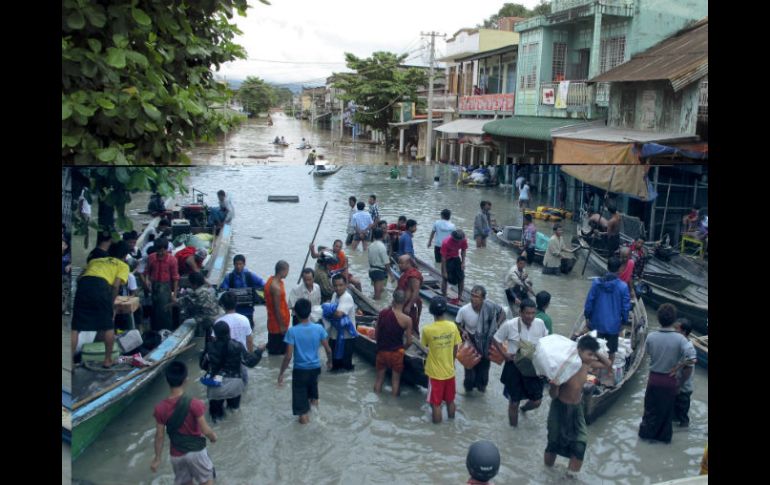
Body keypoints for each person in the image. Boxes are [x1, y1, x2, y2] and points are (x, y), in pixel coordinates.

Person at [544, 335, 610, 476]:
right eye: (589, 354)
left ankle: (570, 478)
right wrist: (554, 386)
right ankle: (547, 473)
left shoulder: (588, 364)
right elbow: (553, 395)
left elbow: (607, 364)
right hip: (559, 407)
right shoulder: (565, 366)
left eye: (593, 355)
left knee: (580, 444)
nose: (592, 357)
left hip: (577, 408)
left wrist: (594, 350)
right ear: (579, 351)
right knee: (553, 443)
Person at [151, 361, 217, 484]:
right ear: (186, 379)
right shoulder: (195, 403)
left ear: (167, 380)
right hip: (196, 452)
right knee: (207, 480)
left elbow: (159, 436)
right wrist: (213, 437)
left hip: (177, 456)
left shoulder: (160, 408)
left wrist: (157, 458)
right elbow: (205, 430)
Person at [639, 304, 695, 443]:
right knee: (666, 414)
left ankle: (646, 438)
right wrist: (679, 380)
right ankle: (663, 440)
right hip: (670, 381)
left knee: (650, 411)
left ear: (658, 319)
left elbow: (649, 354)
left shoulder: (651, 337)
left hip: (654, 379)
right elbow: (691, 360)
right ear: (673, 320)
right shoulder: (681, 339)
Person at [71, 240, 131, 368]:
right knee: (107, 325)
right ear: (125, 255)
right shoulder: (123, 265)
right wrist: (110, 303)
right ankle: (108, 360)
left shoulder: (95, 260)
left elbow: (78, 278)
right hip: (101, 287)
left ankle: (70, 362)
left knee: (76, 327)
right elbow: (115, 286)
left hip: (84, 286)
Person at [491, 299, 549, 427]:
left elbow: (546, 341)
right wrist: (504, 354)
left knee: (537, 401)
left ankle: (524, 409)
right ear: (520, 312)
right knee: (514, 403)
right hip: (514, 366)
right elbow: (495, 339)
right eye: (527, 313)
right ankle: (513, 431)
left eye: (533, 313)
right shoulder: (509, 324)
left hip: (533, 366)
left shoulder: (540, 323)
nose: (530, 316)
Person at [278, 298, 333, 424]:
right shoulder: (318, 328)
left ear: (295, 313)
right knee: (313, 397)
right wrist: (329, 362)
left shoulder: (292, 331)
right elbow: (328, 349)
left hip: (300, 371)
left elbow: (288, 356)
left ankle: (305, 434)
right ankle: (317, 420)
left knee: (301, 410)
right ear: (310, 313)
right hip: (315, 369)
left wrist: (281, 373)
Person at [201, 321, 264, 422]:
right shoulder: (237, 346)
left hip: (216, 387)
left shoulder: (209, 347)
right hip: (234, 385)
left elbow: (203, 365)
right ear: (229, 332)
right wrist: (259, 351)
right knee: (234, 414)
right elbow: (250, 362)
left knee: (216, 419)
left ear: (215, 333)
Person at [581, 256, 631, 374]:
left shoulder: (597, 283)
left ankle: (595, 372)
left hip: (596, 322)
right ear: (619, 270)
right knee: (611, 351)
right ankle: (609, 372)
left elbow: (589, 302)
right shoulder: (623, 286)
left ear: (607, 267)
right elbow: (625, 307)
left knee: (596, 348)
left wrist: (587, 317)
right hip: (613, 325)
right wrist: (623, 321)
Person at [455, 286, 506, 394]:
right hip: (470, 342)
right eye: (472, 296)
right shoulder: (464, 310)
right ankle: (468, 397)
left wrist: (497, 324)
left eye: (476, 297)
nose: (473, 299)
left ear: (483, 298)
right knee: (469, 376)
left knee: (483, 375)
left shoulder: (490, 306)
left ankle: (481, 397)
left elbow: (502, 313)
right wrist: (463, 331)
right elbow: (457, 323)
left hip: (485, 343)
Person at [421, 296, 463, 424]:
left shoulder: (427, 330)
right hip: (450, 371)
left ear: (431, 312)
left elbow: (425, 347)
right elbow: (456, 347)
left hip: (435, 374)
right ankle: (451, 424)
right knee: (450, 400)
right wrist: (452, 362)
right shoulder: (452, 326)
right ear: (445, 311)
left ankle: (437, 432)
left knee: (436, 403)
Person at [373, 290, 413, 396]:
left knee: (379, 380)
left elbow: (376, 334)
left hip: (382, 351)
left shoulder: (383, 313)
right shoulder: (407, 320)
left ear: (393, 300)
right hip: (396, 353)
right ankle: (393, 406)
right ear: (404, 301)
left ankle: (376, 401)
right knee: (395, 382)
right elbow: (409, 342)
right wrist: (402, 348)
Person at [219, 254, 266, 329]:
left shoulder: (250, 276)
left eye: (240, 264)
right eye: (236, 264)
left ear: (244, 264)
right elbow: (223, 291)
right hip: (234, 311)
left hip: (248, 311)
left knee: (249, 330)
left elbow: (264, 284)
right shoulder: (229, 277)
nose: (238, 266)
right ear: (234, 264)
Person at [323, 273, 358, 372]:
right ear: (332, 286)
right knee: (335, 365)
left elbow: (339, 314)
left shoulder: (346, 297)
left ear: (346, 285)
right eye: (335, 286)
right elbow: (333, 310)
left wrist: (326, 310)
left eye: (340, 285)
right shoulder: (334, 294)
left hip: (347, 338)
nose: (338, 288)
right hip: (335, 335)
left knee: (346, 367)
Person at [143, 238, 180, 331]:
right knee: (154, 310)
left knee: (165, 310)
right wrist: (147, 280)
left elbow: (175, 278)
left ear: (166, 249)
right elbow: (147, 271)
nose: (160, 253)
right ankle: (155, 331)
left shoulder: (172, 260)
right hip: (154, 286)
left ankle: (166, 331)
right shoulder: (151, 257)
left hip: (166, 287)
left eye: (162, 251)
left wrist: (174, 295)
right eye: (158, 251)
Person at [176, 271, 223, 340]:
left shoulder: (198, 293)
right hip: (218, 314)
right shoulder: (209, 289)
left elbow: (186, 302)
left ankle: (198, 336)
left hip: (209, 319)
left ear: (194, 284)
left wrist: (174, 301)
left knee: (185, 315)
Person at [672, 318, 697, 428]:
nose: (673, 331)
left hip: (683, 388)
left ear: (684, 332)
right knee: (674, 414)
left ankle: (682, 434)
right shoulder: (678, 343)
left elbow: (688, 369)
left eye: (676, 329)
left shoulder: (687, 347)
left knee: (682, 418)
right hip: (676, 385)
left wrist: (679, 385)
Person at [265, 260, 291, 355]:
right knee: (278, 353)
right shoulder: (275, 287)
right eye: (287, 270)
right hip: (277, 326)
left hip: (277, 322)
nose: (288, 273)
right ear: (283, 271)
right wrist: (282, 326)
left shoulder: (273, 281)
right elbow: (277, 308)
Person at [397, 254, 423, 337]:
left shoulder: (414, 275)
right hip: (402, 304)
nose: (399, 265)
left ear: (408, 263)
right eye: (399, 263)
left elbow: (415, 291)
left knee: (412, 326)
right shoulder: (406, 273)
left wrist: (409, 305)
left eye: (401, 263)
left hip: (409, 306)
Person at [441, 229, 468, 305]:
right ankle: (444, 295)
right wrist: (444, 271)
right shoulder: (446, 242)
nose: (458, 242)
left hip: (456, 258)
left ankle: (460, 296)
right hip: (447, 260)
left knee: (462, 278)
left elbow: (463, 250)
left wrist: (463, 262)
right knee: (445, 278)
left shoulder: (463, 240)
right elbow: (443, 257)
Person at [368, 228, 391, 301]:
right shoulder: (382, 246)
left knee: (379, 291)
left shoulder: (371, 245)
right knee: (378, 295)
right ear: (383, 236)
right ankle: (376, 308)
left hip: (372, 270)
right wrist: (391, 274)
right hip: (379, 272)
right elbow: (386, 262)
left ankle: (375, 303)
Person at [62, 235, 72, 315]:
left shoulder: (68, 255)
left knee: (65, 292)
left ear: (66, 246)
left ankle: (64, 309)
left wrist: (70, 265)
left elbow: (74, 262)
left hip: (65, 276)